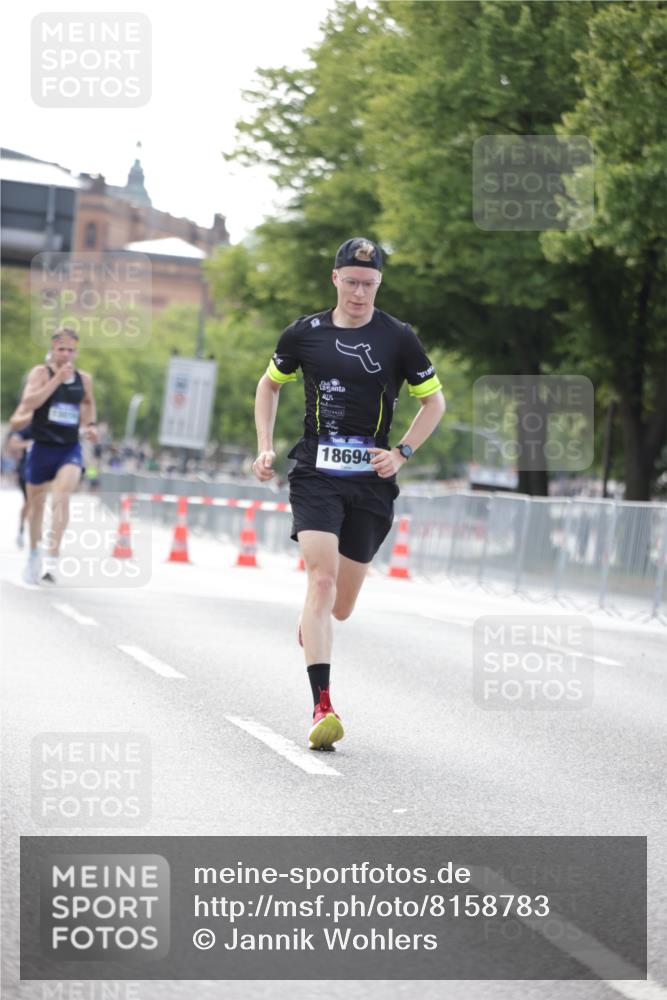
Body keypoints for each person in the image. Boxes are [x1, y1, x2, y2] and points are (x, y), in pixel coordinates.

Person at [252, 238, 445, 750]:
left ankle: (312, 625)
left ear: (379, 284)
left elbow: (435, 403)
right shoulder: (304, 333)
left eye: (370, 284)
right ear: (335, 278)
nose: (360, 293)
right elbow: (268, 385)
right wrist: (265, 447)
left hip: (371, 480)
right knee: (321, 582)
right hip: (315, 471)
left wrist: (401, 451)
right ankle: (322, 707)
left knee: (340, 606)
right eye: (352, 281)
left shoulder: (398, 338)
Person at [14, 328, 98, 584]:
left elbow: (87, 404)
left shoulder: (83, 379)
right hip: (42, 447)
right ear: (52, 349)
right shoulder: (41, 373)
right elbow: (30, 403)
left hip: (68, 448)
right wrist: (56, 380)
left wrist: (91, 426)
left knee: (62, 496)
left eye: (70, 350)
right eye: (61, 349)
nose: (65, 354)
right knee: (36, 505)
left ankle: (52, 557)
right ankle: (34, 553)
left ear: (76, 351)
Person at [6, 424, 34, 548]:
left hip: (44, 472)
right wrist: (30, 444)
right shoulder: (29, 428)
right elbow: (12, 444)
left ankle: (35, 530)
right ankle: (22, 529)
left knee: (38, 502)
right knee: (29, 501)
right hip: (26, 471)